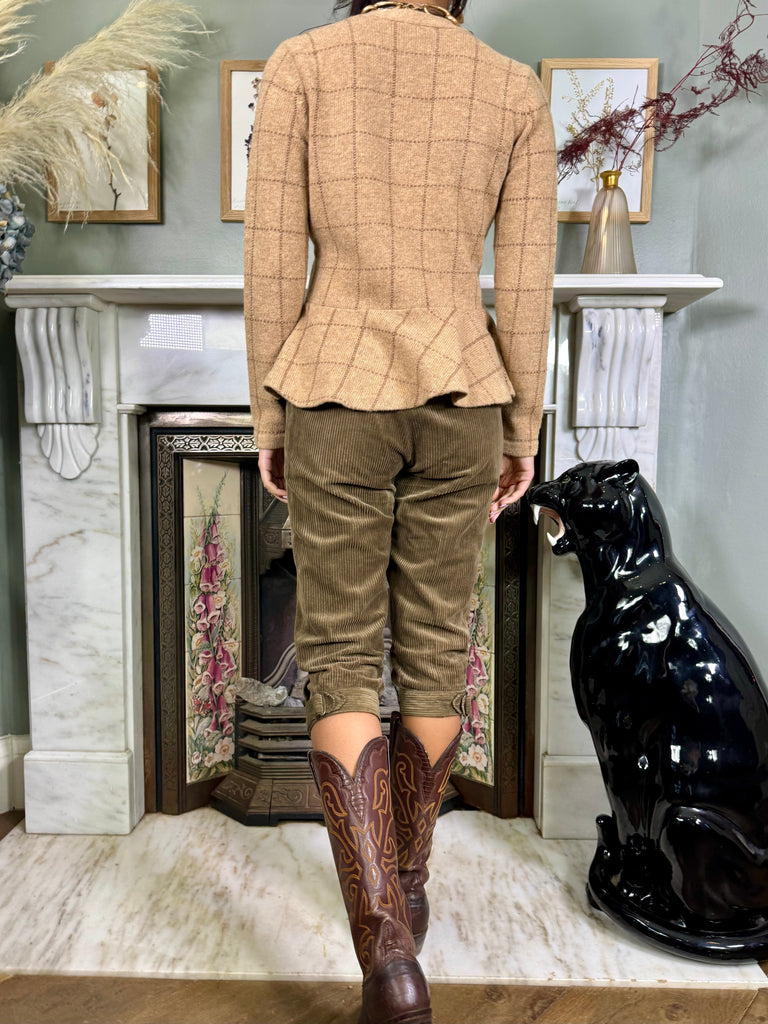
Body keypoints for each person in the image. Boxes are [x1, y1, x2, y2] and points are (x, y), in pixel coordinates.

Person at [243, 1, 557, 1020]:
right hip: (465, 398)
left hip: (334, 393)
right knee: (435, 649)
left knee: (338, 656)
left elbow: (271, 265)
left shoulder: (302, 63)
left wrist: (269, 414)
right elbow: (527, 282)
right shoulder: (512, 88)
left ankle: (386, 955)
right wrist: (521, 428)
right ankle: (408, 894)